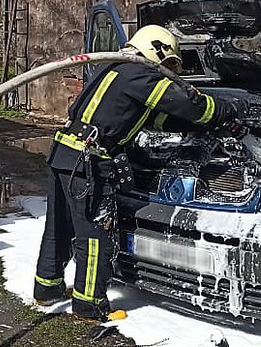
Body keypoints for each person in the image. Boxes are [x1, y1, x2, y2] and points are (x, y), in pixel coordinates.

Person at [33, 24, 248, 321]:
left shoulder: (118, 71)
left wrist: (200, 127)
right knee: (96, 235)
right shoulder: (141, 73)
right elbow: (191, 104)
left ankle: (47, 289)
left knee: (60, 227)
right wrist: (229, 110)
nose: (170, 71)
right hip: (87, 163)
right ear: (157, 50)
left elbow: (159, 119)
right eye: (170, 64)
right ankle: (89, 305)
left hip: (65, 153)